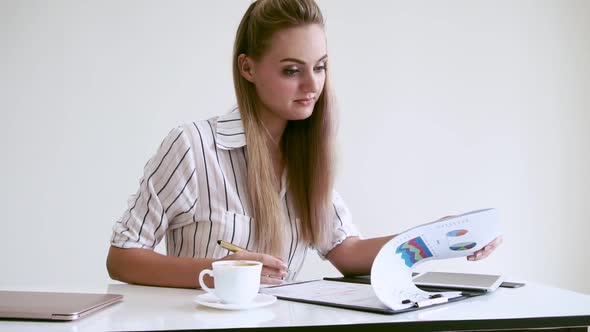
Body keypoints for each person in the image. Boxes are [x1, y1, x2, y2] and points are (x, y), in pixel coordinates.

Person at [106, 0, 502, 289]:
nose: (313, 85)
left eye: (320, 66)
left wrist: (433, 238)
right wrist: (222, 272)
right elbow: (122, 258)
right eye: (292, 70)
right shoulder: (193, 147)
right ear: (248, 68)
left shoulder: (307, 158)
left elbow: (347, 253)